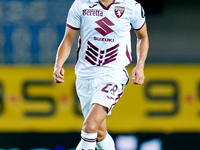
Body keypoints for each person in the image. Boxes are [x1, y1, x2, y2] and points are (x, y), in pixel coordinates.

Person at [53, 0, 149, 149]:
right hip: (85, 76)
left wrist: (140, 64)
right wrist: (58, 64)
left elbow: (142, 37)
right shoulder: (81, 5)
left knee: (90, 126)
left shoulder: (131, 6)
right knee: (99, 134)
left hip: (113, 75)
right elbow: (68, 38)